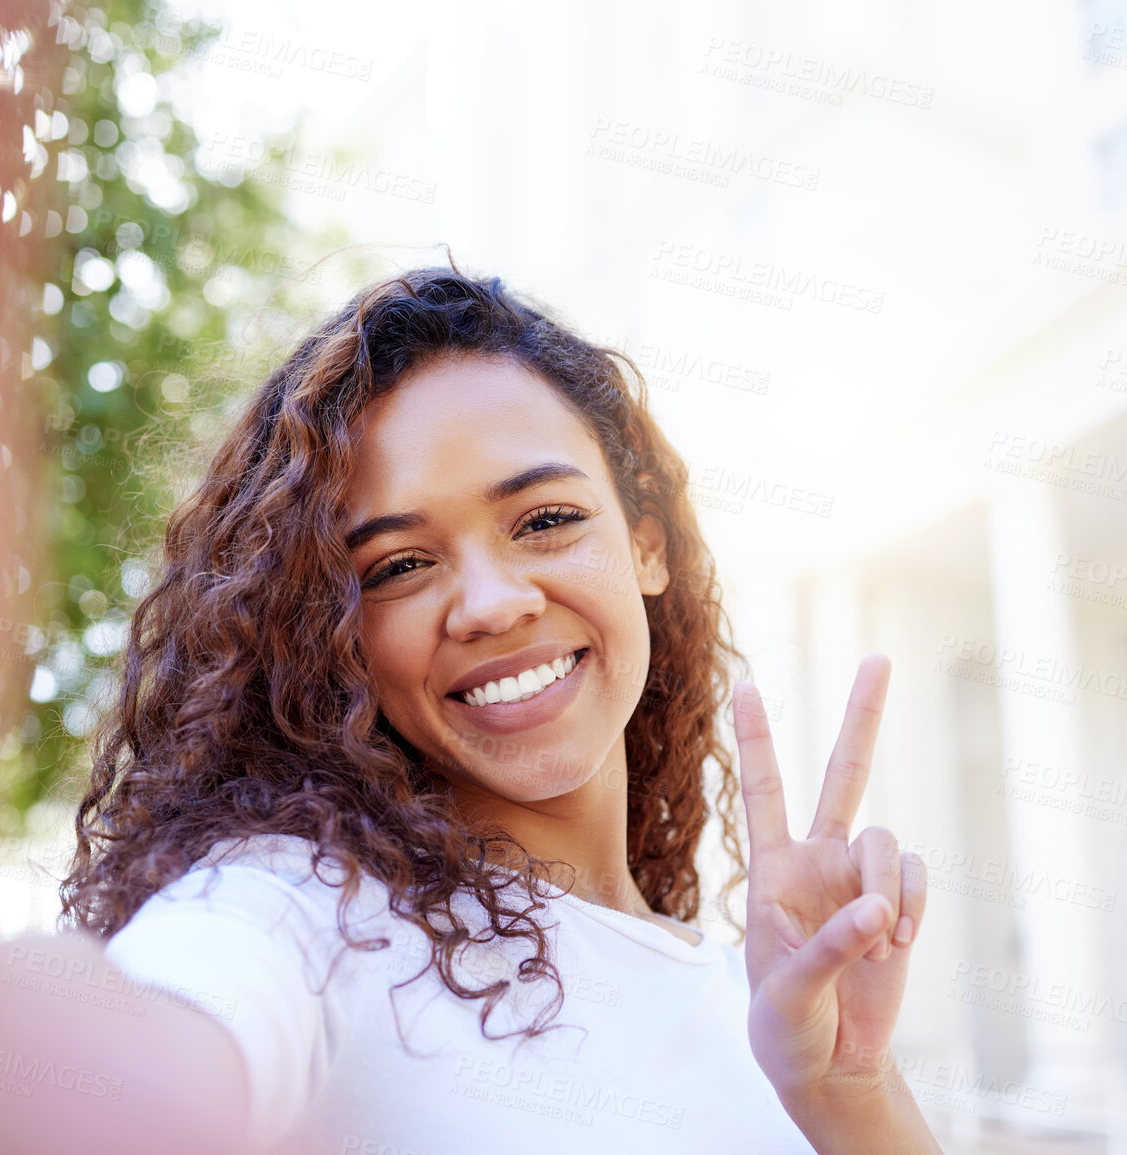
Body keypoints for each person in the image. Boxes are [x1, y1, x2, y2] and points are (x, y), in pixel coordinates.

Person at [57, 266, 940, 1153]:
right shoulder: (301, 911)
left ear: (646, 546)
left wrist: (854, 1092)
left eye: (544, 518)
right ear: (333, 634)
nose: (490, 602)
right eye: (398, 566)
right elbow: (135, 1060)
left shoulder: (770, 1003)